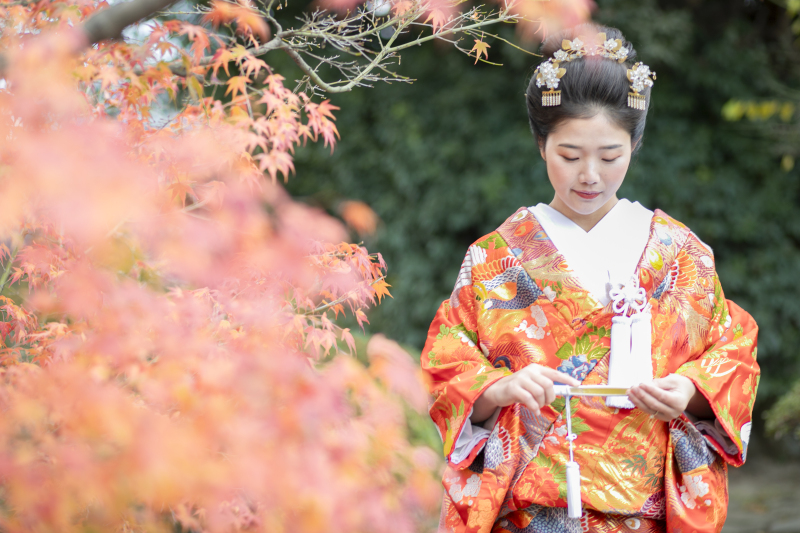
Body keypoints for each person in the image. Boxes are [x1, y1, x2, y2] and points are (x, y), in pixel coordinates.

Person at [421, 23, 760, 533]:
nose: (590, 176)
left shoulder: (678, 253)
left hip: (645, 510)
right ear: (541, 143)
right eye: (570, 155)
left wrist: (689, 389)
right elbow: (447, 361)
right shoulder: (496, 257)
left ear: (635, 143)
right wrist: (501, 388)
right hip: (525, 511)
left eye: (609, 156)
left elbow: (732, 351)